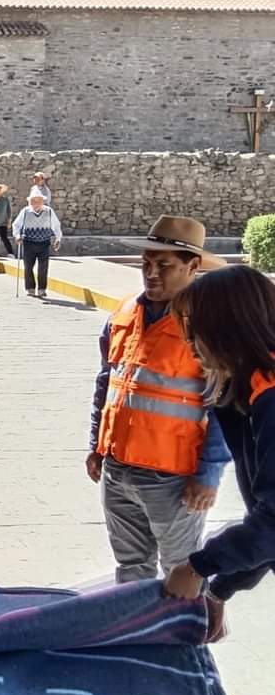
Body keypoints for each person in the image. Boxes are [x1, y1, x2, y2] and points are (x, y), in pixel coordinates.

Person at [86, 216, 229, 585]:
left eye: (164, 265)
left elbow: (226, 405)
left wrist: (209, 473)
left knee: (182, 574)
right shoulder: (123, 313)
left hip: (173, 478)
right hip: (117, 469)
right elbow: (108, 381)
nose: (151, 273)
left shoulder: (209, 323)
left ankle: (186, 641)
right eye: (146, 263)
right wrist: (96, 446)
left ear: (192, 266)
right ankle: (138, 640)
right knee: (131, 570)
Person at [162, 265, 275, 643]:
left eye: (197, 327)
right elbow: (265, 518)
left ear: (230, 327)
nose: (190, 339)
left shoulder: (271, 398)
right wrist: (219, 588)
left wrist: (199, 567)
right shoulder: (249, 393)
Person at [12, 188, 63, 297]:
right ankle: (30, 288)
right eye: (33, 201)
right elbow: (16, 225)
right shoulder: (25, 211)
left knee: (43, 267)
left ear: (42, 201)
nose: (36, 203)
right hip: (28, 243)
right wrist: (17, 236)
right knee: (28, 266)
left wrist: (58, 238)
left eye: (38, 201)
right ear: (30, 201)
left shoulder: (49, 211)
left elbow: (56, 225)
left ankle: (41, 289)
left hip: (44, 242)